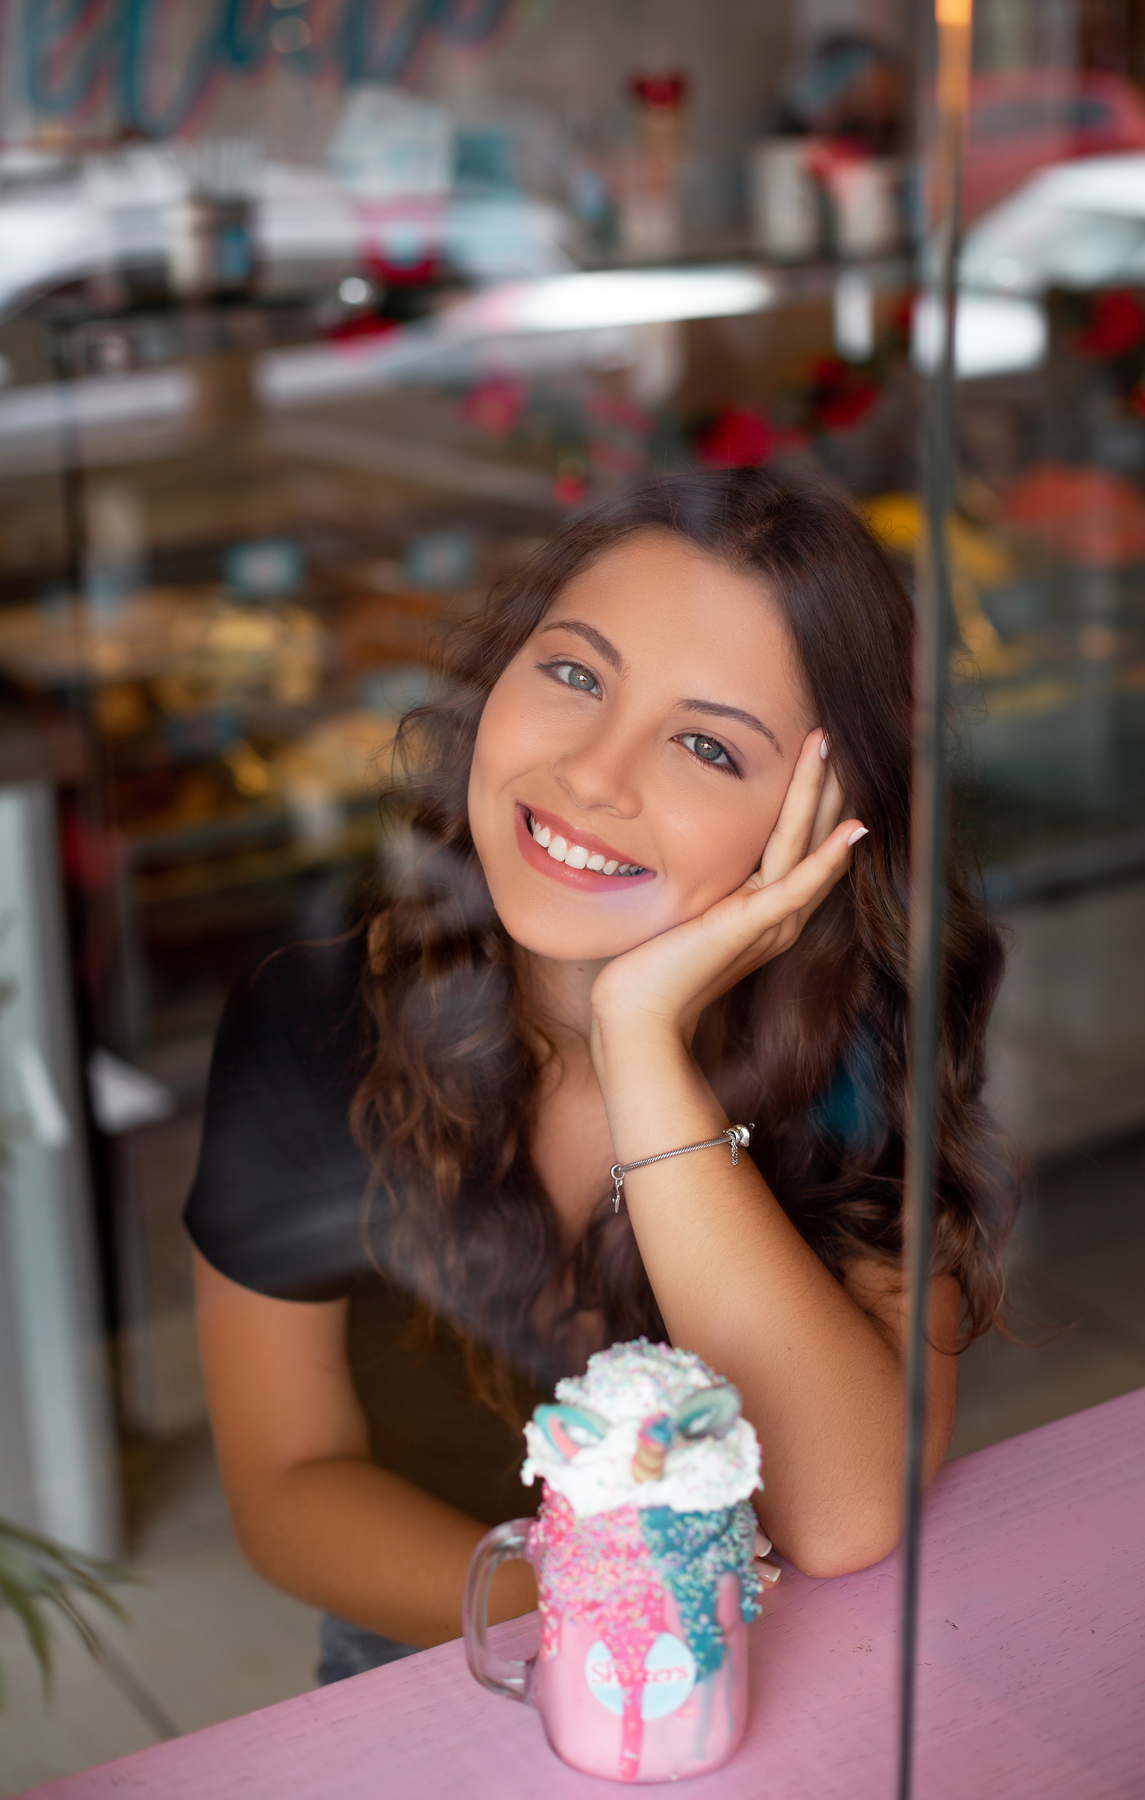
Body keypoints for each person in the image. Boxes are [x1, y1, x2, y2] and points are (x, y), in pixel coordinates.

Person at [186, 470, 1014, 1684]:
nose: (594, 774)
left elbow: (841, 1516)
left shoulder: (859, 1039)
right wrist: (609, 1624)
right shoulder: (317, 1017)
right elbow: (288, 1486)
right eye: (574, 674)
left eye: (705, 746)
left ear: (824, 822)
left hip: (782, 1679)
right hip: (453, 1647)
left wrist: (642, 1044)